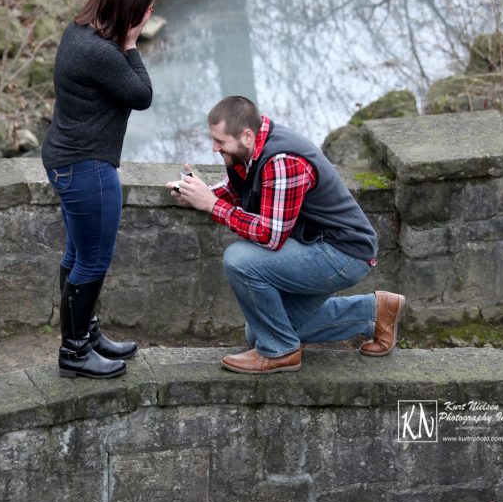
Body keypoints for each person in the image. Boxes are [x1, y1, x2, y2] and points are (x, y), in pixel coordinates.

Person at [168, 96, 406, 374]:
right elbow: (239, 189)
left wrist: (212, 205)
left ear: (246, 135)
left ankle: (280, 353)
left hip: (342, 253)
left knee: (239, 259)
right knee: (259, 333)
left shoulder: (283, 161)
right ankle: (376, 312)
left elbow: (270, 235)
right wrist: (197, 193)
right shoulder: (251, 149)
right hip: (315, 244)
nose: (214, 148)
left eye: (219, 142)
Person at [41, 0, 157, 379]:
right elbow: (141, 95)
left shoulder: (79, 32)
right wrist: (132, 42)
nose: (148, 17)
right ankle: (74, 352)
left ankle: (84, 336)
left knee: (77, 254)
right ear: (132, 12)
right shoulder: (102, 52)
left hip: (68, 160)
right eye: (146, 11)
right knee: (92, 260)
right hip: (86, 165)